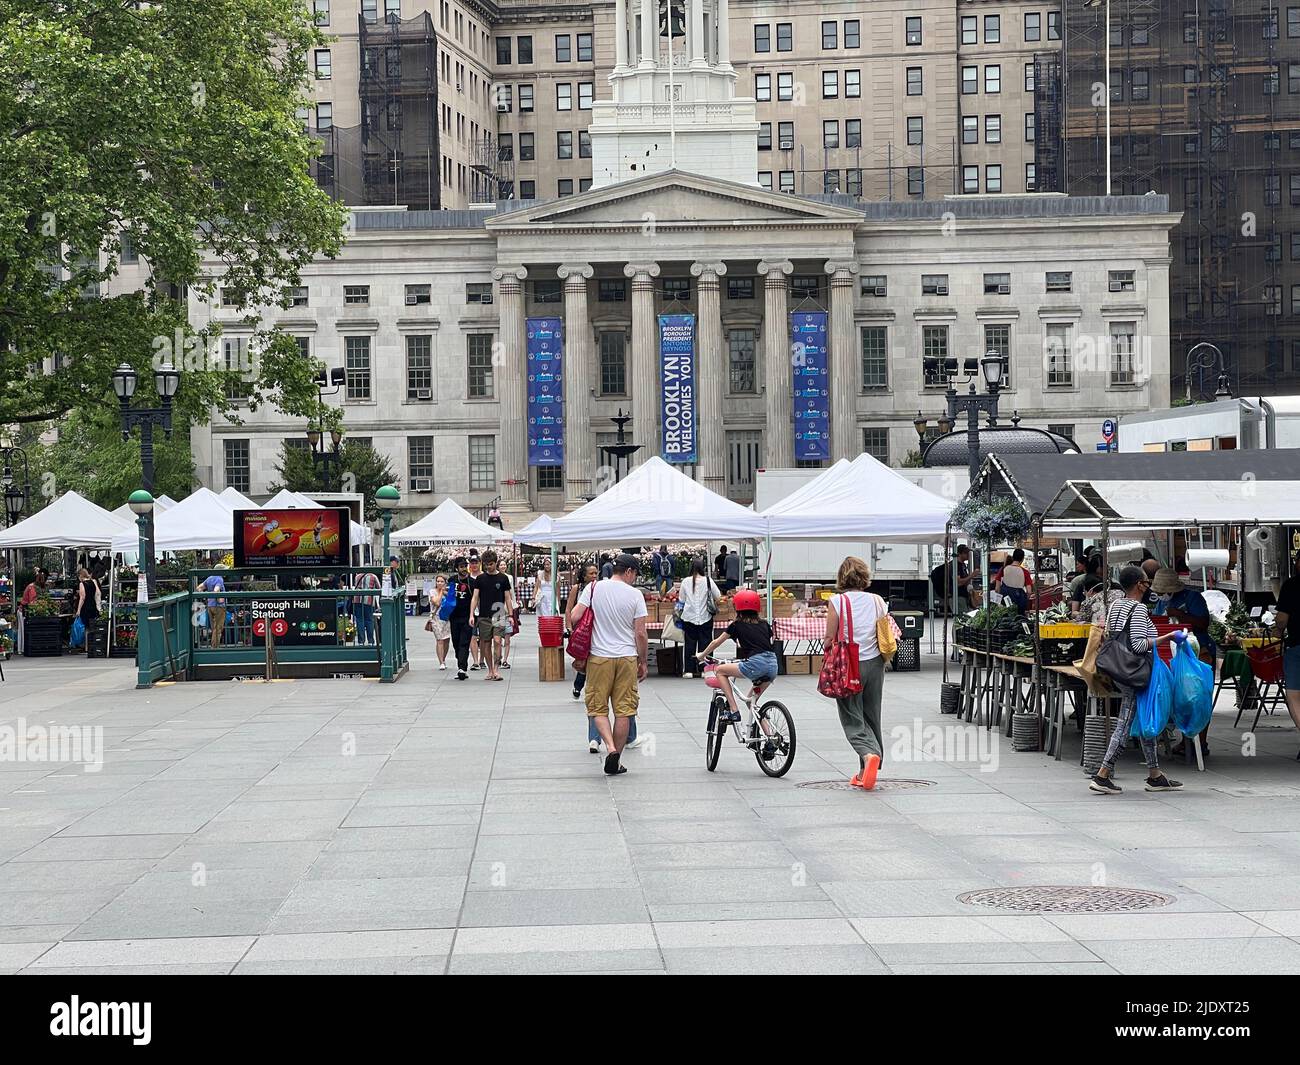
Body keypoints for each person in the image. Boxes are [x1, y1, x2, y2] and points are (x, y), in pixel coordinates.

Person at [1089, 565, 1184, 795]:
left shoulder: (1116, 605)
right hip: (1133, 672)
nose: (1148, 585)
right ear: (1139, 585)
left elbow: (1111, 634)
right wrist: (1169, 636)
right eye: (1146, 581)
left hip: (1118, 669)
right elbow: (1139, 645)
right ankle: (1103, 774)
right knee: (1125, 722)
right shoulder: (1138, 609)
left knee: (1143, 718)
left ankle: (1155, 775)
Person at [570, 553, 648, 776]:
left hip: (598, 657)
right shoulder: (635, 595)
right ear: (629, 571)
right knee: (624, 710)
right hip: (626, 657)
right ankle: (617, 759)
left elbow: (575, 616)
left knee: (598, 707)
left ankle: (610, 748)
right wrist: (643, 661)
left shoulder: (594, 588)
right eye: (635, 574)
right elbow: (640, 633)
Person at [819, 557, 890, 789]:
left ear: (842, 577)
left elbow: (829, 638)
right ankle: (865, 771)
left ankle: (869, 754)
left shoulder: (837, 601)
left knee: (851, 715)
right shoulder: (878, 600)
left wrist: (826, 652)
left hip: (849, 665)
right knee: (872, 714)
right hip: (876, 663)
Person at [696, 588, 779, 754]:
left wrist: (702, 655)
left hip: (755, 664)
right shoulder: (764, 624)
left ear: (737, 608)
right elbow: (766, 643)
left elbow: (715, 642)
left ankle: (734, 711)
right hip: (772, 665)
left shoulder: (736, 625)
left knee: (720, 671)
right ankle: (771, 738)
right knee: (751, 701)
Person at [1151, 567, 1216, 667]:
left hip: (1197, 649)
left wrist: (1179, 614)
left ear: (1171, 590)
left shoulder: (1192, 597)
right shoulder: (1161, 602)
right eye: (1158, 593)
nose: (1160, 595)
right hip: (1168, 651)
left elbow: (1203, 623)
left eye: (1162, 593)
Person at [469, 548, 514, 681]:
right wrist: (471, 614)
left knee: (498, 640)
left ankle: (496, 669)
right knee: (486, 643)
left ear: (496, 563)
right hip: (484, 614)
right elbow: (475, 597)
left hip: (499, 612)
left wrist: (511, 615)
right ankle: (490, 670)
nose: (488, 567)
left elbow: (508, 598)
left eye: (491, 564)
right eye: (486, 564)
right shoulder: (480, 578)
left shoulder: (503, 578)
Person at [677, 556, 721, 679]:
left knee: (689, 644)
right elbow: (718, 596)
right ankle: (705, 670)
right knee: (706, 645)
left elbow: (681, 600)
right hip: (705, 616)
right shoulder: (708, 580)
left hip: (689, 617)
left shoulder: (685, 581)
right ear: (703, 568)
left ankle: (689, 671)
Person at [1274, 550, 1300, 740]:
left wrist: (1277, 631)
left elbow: (1282, 620)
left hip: (1297, 646)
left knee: (1294, 696)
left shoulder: (1292, 585)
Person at [448, 556, 475, 679]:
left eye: (465, 566)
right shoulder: (452, 580)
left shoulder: (472, 582)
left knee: (464, 642)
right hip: (454, 616)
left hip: (467, 616)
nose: (464, 569)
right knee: (456, 643)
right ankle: (461, 663)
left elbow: (476, 598)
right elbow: (448, 596)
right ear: (456, 568)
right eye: (461, 566)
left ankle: (462, 668)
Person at [931, 544, 977, 610]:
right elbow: (958, 583)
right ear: (959, 554)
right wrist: (971, 576)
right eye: (966, 553)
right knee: (963, 615)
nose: (968, 554)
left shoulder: (962, 565)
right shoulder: (955, 565)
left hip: (962, 596)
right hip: (957, 597)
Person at [996, 547, 1032, 613]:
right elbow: (1029, 591)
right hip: (1019, 602)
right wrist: (1024, 600)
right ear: (1022, 559)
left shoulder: (1003, 569)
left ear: (1013, 557)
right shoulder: (1025, 572)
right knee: (1018, 618)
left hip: (1005, 602)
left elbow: (997, 589)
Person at [73, 566, 101, 648]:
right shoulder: (93, 582)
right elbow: (97, 593)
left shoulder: (82, 584)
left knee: (85, 627)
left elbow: (82, 597)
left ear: (80, 576)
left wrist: (78, 610)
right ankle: (91, 645)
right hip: (93, 605)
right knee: (91, 626)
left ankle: (86, 646)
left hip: (85, 607)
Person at [428, 573, 452, 670]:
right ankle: (441, 662)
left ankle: (444, 658)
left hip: (446, 618)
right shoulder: (432, 592)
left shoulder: (448, 592)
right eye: (438, 581)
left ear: (445, 583)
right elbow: (437, 602)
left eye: (442, 581)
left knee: (446, 640)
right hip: (436, 618)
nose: (439, 583)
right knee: (440, 639)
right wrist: (441, 592)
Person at [200, 566, 228, 648]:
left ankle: (214, 647)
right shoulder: (219, 579)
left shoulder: (209, 578)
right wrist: (219, 599)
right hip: (218, 607)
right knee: (218, 628)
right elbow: (216, 590)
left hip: (210, 606)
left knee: (214, 628)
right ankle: (215, 648)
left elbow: (199, 588)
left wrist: (206, 597)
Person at [352, 568, 381, 646]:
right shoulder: (373, 576)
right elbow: (379, 588)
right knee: (369, 620)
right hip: (368, 601)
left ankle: (361, 641)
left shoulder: (357, 576)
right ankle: (370, 641)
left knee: (359, 620)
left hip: (357, 600)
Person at [465, 552, 484, 669]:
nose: (474, 565)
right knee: (472, 636)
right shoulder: (466, 579)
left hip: (484, 611)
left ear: (480, 563)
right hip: (470, 611)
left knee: (484, 637)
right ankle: (475, 661)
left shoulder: (485, 577)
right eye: (472, 563)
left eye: (476, 563)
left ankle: (482, 660)